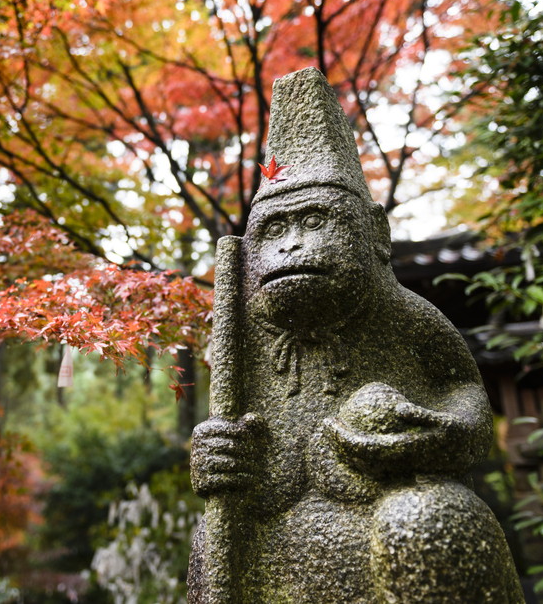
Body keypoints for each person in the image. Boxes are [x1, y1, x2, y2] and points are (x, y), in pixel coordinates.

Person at [188, 68, 523, 603]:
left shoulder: (405, 316)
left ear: (376, 235)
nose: (292, 247)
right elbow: (225, 441)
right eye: (274, 231)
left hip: (384, 528)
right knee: (212, 536)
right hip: (273, 541)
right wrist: (215, 456)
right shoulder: (241, 344)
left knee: (430, 518)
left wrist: (429, 433)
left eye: (315, 222)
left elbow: (467, 401)